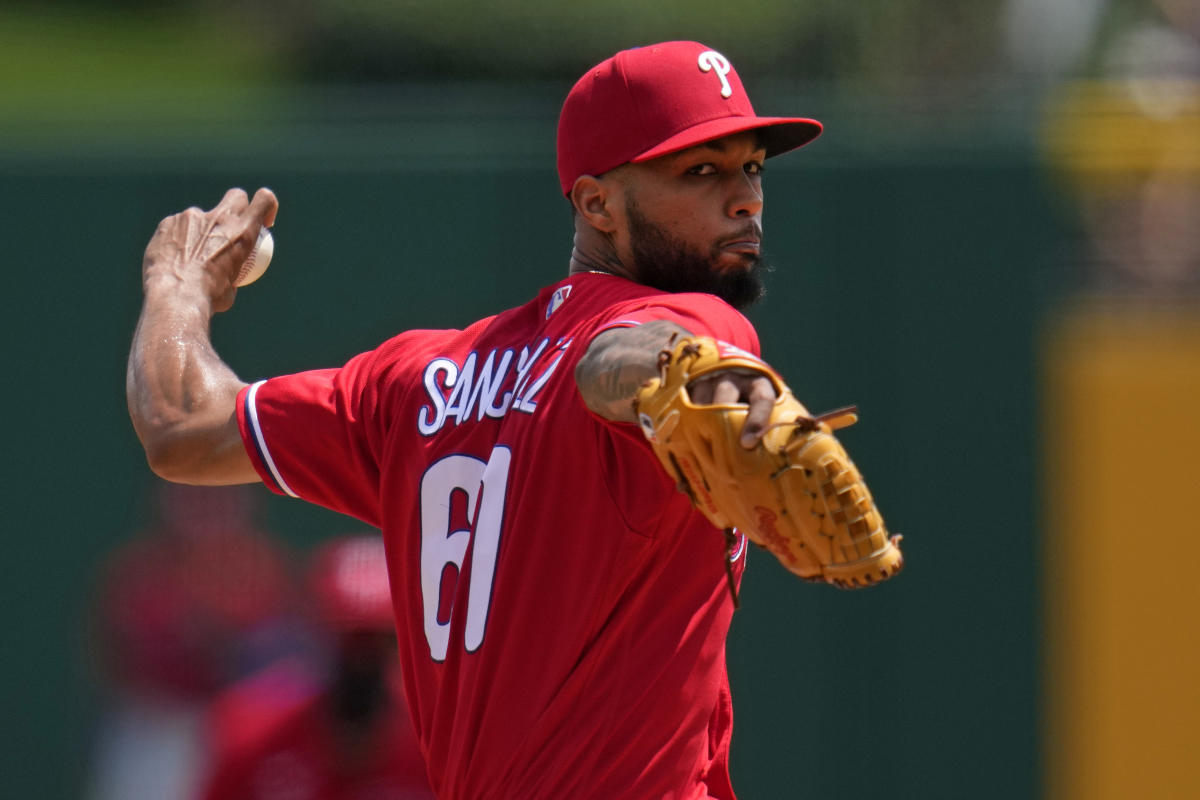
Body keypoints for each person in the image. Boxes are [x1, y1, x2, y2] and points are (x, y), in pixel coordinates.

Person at [128, 41, 824, 799]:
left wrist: (177, 287)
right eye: (702, 171)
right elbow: (618, 360)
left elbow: (180, 425)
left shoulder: (418, 386)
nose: (746, 197)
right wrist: (680, 368)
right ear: (596, 204)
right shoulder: (691, 324)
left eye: (751, 166)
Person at [201, 536, 434, 800]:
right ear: (316, 631)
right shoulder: (252, 733)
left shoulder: (440, 746)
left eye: (379, 639)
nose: (362, 657)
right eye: (347, 638)